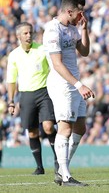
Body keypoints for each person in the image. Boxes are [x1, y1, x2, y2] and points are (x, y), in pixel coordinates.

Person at [43, 0, 95, 187]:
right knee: (65, 128)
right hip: (62, 84)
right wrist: (79, 85)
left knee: (80, 127)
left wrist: (85, 29)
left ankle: (61, 165)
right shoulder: (52, 29)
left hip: (74, 83)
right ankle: (65, 176)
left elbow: (85, 52)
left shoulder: (73, 28)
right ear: (69, 11)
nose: (82, 15)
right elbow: (57, 64)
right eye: (80, 12)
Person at [6, 22, 58, 175]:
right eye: (25, 33)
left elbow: (54, 68)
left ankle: (58, 160)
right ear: (18, 36)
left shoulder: (42, 50)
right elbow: (11, 80)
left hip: (43, 92)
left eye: (30, 32)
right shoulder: (14, 55)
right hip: (26, 95)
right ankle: (39, 167)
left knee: (48, 127)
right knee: (33, 132)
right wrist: (11, 101)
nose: (29, 35)